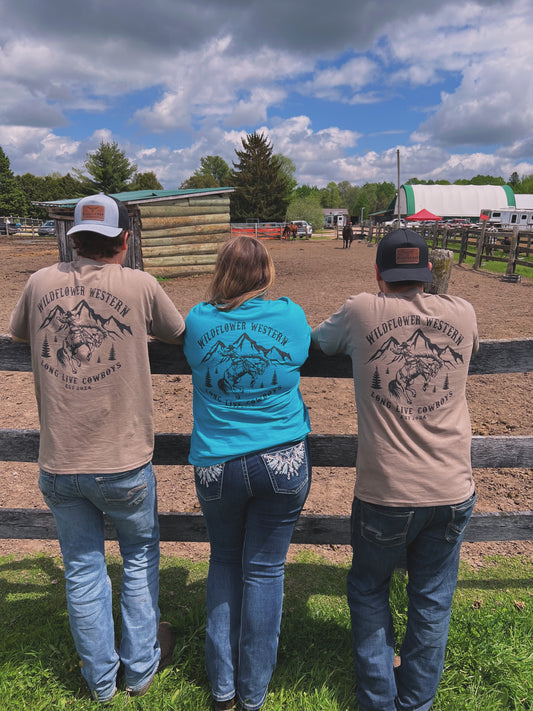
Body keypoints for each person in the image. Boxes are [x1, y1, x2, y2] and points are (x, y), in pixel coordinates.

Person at [9, 194, 186, 703]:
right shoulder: (140, 284)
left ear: (71, 239)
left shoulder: (40, 282)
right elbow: (176, 332)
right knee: (138, 559)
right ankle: (140, 669)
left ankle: (100, 683)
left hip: (61, 460)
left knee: (83, 568)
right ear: (125, 241)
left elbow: (19, 331)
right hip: (124, 460)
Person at [311, 228, 478, 711]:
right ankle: (417, 702)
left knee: (368, 587)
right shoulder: (463, 312)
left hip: (386, 491)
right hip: (451, 487)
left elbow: (321, 342)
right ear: (429, 274)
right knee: (431, 597)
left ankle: (379, 700)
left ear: (379, 273)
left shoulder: (362, 310)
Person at [183, 236, 312, 711]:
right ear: (267, 274)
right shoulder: (290, 316)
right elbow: (301, 350)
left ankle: (222, 689)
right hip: (281, 459)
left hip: (218, 462)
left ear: (220, 271)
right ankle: (253, 693)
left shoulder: (199, 319)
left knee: (223, 562)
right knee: (264, 570)